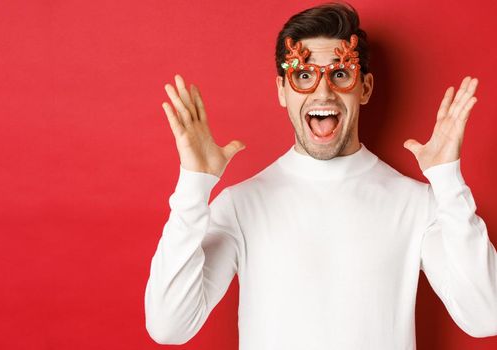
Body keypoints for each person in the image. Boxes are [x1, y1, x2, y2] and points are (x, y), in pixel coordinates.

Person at [144, 2, 497, 349]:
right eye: (303, 75)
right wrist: (194, 185)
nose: (323, 92)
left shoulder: (419, 205)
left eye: (340, 74)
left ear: (366, 87)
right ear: (282, 90)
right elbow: (170, 326)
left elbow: (487, 317)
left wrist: (448, 180)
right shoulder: (240, 205)